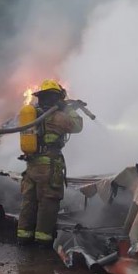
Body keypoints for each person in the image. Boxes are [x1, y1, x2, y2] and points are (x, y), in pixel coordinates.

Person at [17, 79, 83, 248]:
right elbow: (77, 126)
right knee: (48, 202)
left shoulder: (32, 114)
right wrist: (69, 108)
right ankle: (43, 240)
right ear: (56, 98)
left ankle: (24, 237)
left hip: (31, 165)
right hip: (49, 166)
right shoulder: (58, 116)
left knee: (29, 202)